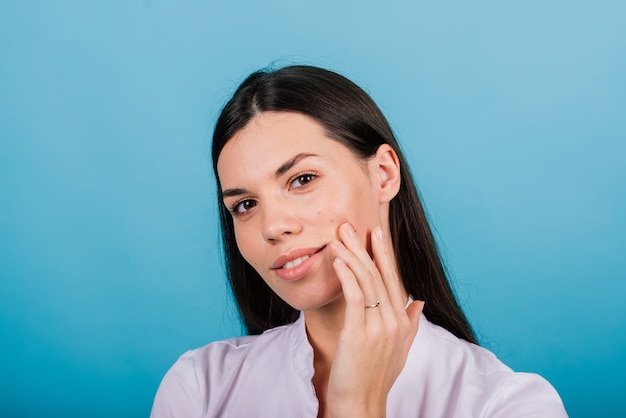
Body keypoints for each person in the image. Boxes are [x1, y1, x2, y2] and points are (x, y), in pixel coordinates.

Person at [151, 65, 567, 417]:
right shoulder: (200, 389)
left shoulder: (506, 405)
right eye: (244, 205)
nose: (272, 226)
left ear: (383, 173)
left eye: (302, 179)